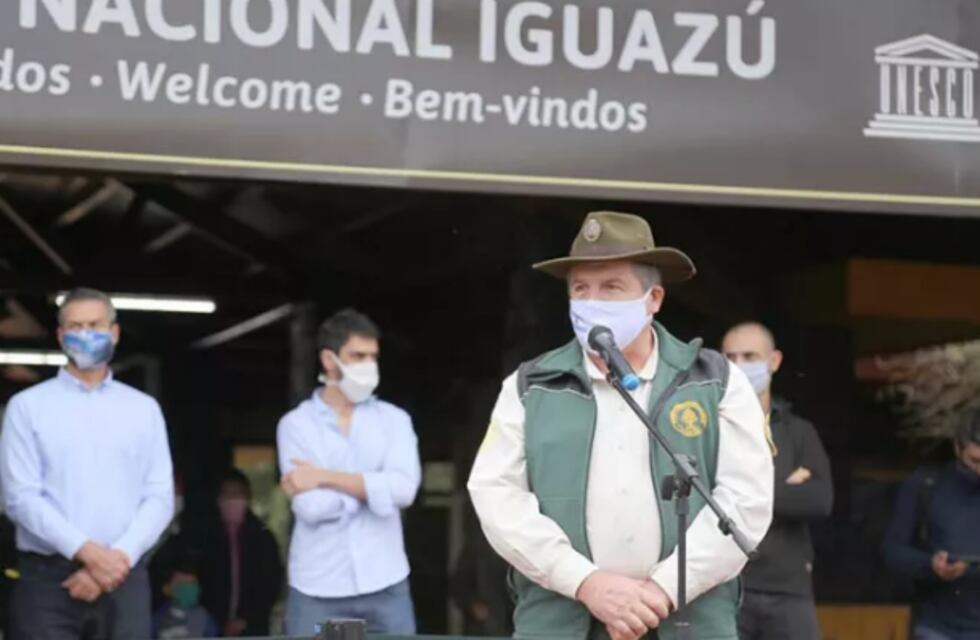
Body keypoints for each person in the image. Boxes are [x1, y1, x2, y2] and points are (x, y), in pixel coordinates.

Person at [468, 211, 774, 640]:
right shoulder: (530, 386)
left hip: (687, 622)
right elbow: (495, 494)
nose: (593, 302)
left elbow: (746, 500)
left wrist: (662, 592)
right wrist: (586, 582)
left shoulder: (715, 381)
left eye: (612, 288)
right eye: (580, 289)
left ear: (654, 299)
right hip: (561, 621)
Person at [0, 287, 174, 639]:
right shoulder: (28, 407)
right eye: (75, 327)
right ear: (61, 335)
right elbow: (20, 497)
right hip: (49, 581)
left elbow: (159, 497)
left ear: (114, 332)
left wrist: (116, 559)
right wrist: (91, 555)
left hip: (124, 576)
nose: (85, 334)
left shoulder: (143, 409)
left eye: (95, 325)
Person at [276, 308, 421, 636]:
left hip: (386, 582)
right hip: (318, 587)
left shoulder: (395, 420)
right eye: (358, 356)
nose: (368, 366)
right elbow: (311, 508)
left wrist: (324, 477)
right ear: (329, 360)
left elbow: (404, 490)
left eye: (373, 357)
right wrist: (373, 491)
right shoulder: (296, 425)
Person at [721, 322, 834, 640]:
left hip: (789, 588)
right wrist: (784, 488)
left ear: (774, 361)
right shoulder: (708, 428)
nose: (739, 365)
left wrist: (740, 491)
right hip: (725, 587)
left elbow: (819, 501)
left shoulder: (799, 432)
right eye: (730, 357)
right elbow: (705, 497)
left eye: (750, 356)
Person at [882, 410, 980, 640]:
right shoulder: (927, 486)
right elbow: (892, 550)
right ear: (958, 448)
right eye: (975, 461)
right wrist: (930, 565)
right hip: (936, 625)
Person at [199, 468, 284, 637]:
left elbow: (271, 585)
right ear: (218, 499)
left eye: (236, 495)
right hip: (212, 627)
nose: (231, 500)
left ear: (247, 498)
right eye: (226, 495)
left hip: (254, 628)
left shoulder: (263, 538)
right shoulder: (207, 537)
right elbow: (203, 581)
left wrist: (245, 620)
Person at [152, 559, 219, 639]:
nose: (188, 588)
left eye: (192, 583)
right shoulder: (158, 619)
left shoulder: (206, 618)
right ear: (167, 588)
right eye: (181, 583)